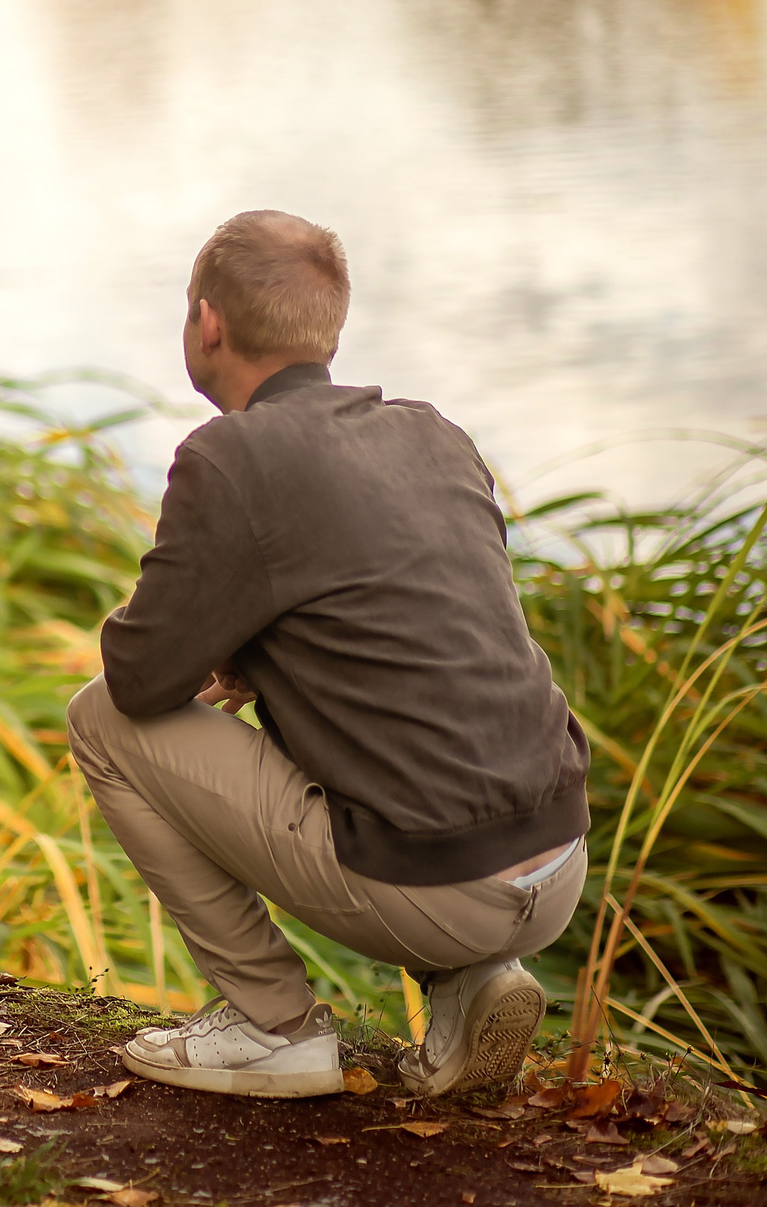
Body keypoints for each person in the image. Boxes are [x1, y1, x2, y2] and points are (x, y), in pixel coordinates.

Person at [68, 210, 590, 1099]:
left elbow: (141, 675)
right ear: (328, 326)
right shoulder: (436, 433)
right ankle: (467, 985)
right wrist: (261, 645)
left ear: (208, 323)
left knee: (101, 720)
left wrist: (232, 642)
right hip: (558, 855)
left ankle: (271, 1023)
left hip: (438, 883)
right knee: (410, 749)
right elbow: (408, 636)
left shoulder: (232, 458)